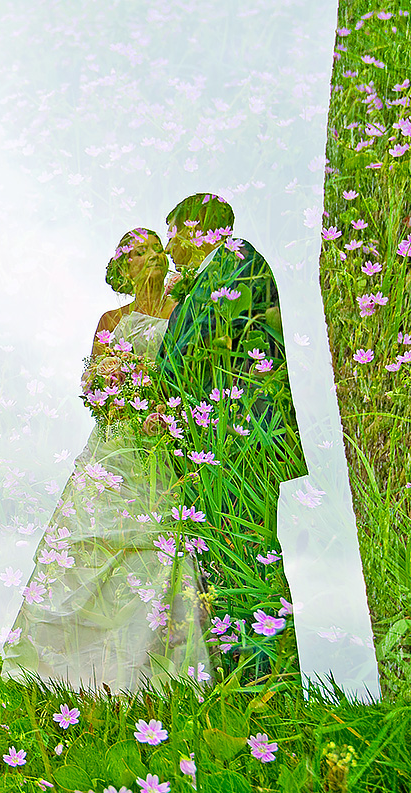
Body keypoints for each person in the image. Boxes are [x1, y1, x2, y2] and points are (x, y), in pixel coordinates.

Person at [0, 228, 211, 694]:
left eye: (157, 248)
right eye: (139, 252)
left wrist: (164, 402)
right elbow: (95, 387)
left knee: (157, 551)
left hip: (165, 444)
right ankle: (61, 679)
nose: (152, 256)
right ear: (123, 267)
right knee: (86, 549)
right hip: (115, 446)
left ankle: (150, 682)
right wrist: (118, 391)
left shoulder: (186, 312)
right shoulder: (111, 319)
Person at [154, 193, 307, 677]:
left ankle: (268, 683)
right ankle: (233, 678)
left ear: (199, 225)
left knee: (250, 561)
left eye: (175, 228)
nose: (171, 241)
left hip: (242, 441)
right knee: (215, 564)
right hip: (210, 448)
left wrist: (151, 381)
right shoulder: (198, 280)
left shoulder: (237, 260)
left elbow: (200, 342)